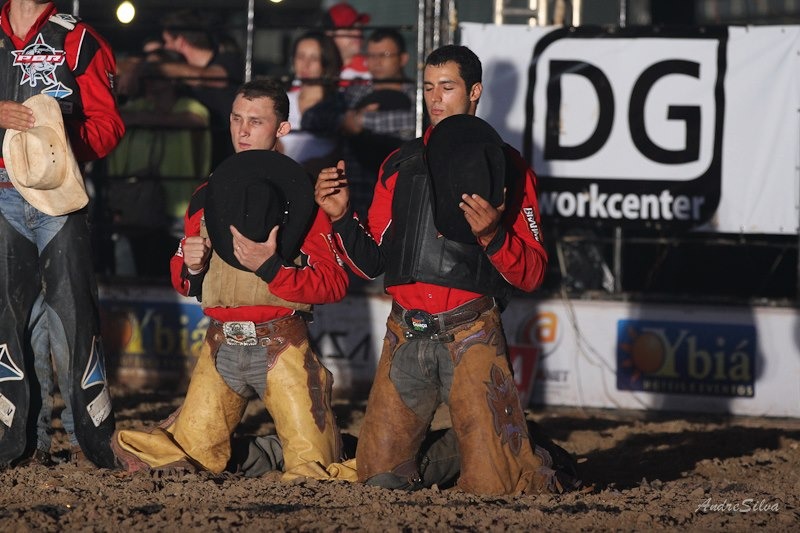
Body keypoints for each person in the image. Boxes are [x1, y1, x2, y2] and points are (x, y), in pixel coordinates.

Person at [315, 45, 561, 495]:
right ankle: (503, 444)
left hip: (471, 334)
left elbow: (532, 273)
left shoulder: (507, 166)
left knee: (495, 487)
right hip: (405, 335)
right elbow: (370, 262)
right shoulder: (399, 163)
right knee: (378, 479)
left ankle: (527, 451)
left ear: (474, 91)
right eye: (428, 87)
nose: (435, 98)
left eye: (446, 87)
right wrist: (340, 217)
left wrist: (493, 236)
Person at [111, 79, 356, 482]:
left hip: (281, 346)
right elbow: (183, 278)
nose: (243, 131)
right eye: (237, 119)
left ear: (281, 129)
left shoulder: (306, 196)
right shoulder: (207, 192)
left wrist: (272, 269)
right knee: (191, 460)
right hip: (221, 346)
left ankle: (300, 449)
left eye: (256, 122)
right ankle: (275, 451)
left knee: (316, 472)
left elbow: (333, 283)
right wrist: (191, 267)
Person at [0, 0, 124, 469]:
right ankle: (19, 443)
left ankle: (91, 440)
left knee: (72, 316)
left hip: (59, 193)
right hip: (2, 191)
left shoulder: (80, 40)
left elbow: (109, 125)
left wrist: (55, 138)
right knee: (9, 319)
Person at [106, 50, 211, 276]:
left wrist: (142, 119)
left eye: (158, 74)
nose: (151, 80)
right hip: (137, 204)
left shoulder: (191, 107)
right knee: (135, 268)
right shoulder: (136, 107)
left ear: (173, 77)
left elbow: (194, 121)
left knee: (176, 270)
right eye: (148, 75)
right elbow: (114, 118)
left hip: (179, 205)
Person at [340, 27, 416, 219]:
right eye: (371, 55)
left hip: (403, 193)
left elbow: (416, 120)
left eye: (385, 54)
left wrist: (361, 120)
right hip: (358, 193)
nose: (377, 61)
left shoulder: (418, 94)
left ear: (403, 58)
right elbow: (335, 121)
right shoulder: (355, 92)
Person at [159, 9, 243, 169]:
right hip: (196, 160)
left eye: (167, 41)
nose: (165, 47)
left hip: (228, 158)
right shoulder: (180, 80)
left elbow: (212, 77)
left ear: (180, 42)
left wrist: (158, 68)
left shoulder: (228, 60)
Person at [279, 31, 344, 177]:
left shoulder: (340, 102)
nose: (305, 64)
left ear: (326, 62)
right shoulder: (283, 100)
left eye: (314, 58)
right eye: (300, 56)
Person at [322, 2, 370, 84]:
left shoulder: (373, 69)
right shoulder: (317, 70)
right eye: (349, 28)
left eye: (359, 27)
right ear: (329, 34)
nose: (357, 33)